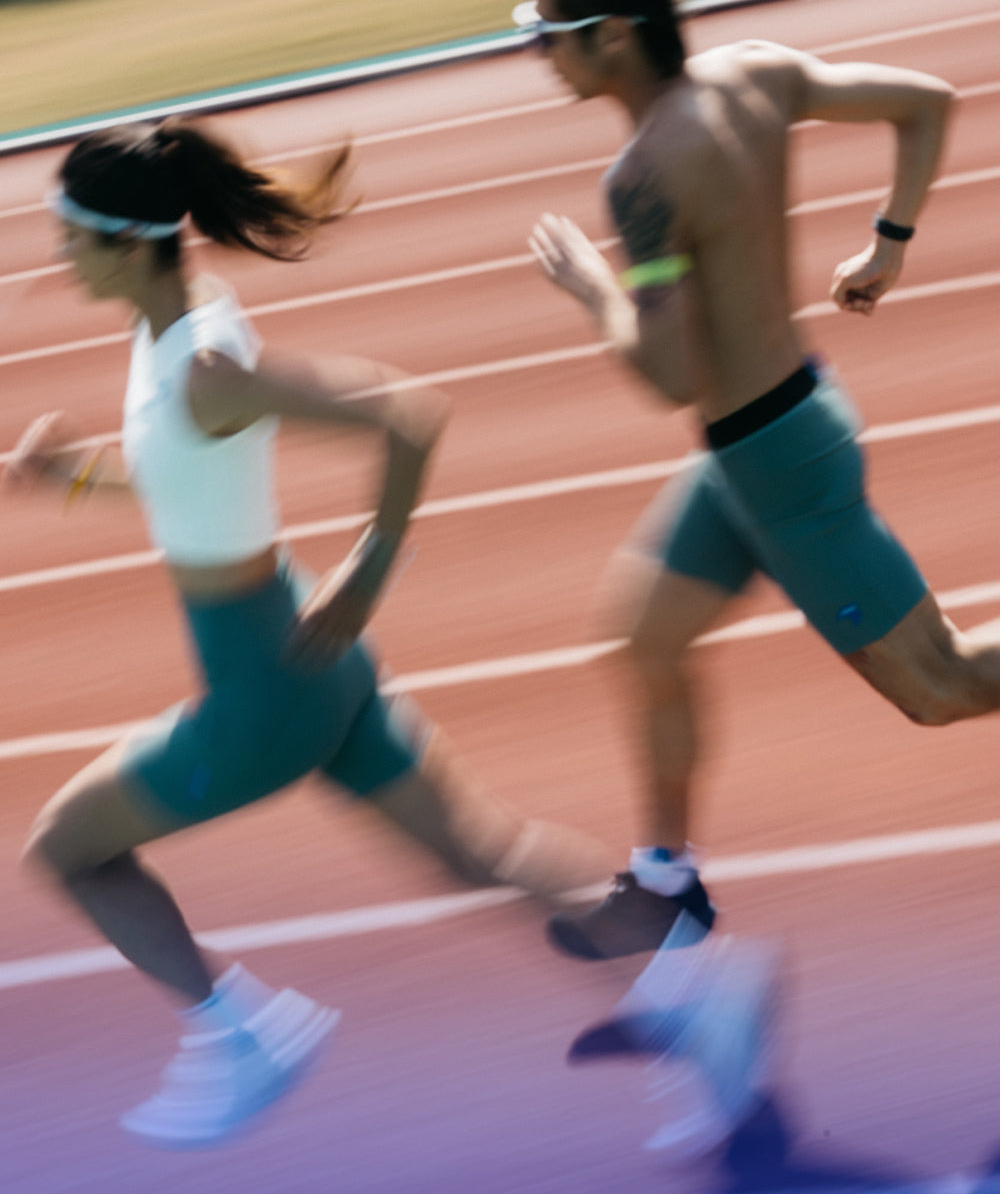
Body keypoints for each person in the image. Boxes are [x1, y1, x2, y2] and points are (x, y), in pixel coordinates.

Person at [5, 118, 612, 1148]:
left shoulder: (202, 365)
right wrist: (74, 479)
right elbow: (188, 480)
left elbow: (409, 412)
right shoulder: (178, 320)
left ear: (126, 243)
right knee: (485, 852)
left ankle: (242, 1034)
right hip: (305, 655)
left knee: (69, 851)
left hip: (265, 692)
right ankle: (700, 982)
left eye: (69, 231)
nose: (56, 252)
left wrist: (373, 565)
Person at [515, 0, 1000, 974]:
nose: (537, 49)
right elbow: (927, 102)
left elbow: (668, 376)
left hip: (777, 461)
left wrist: (592, 288)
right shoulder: (754, 70)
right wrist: (888, 246)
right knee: (644, 640)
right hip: (764, 441)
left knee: (943, 687)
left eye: (547, 29)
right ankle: (665, 885)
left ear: (613, 34)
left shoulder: (644, 178)